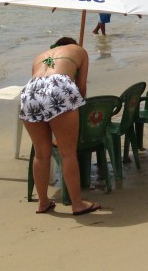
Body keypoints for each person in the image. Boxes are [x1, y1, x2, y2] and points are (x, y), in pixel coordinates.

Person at [21, 36, 101, 216]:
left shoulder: (40, 56)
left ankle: (43, 202)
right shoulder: (79, 51)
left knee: (41, 153)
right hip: (58, 86)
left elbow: (41, 83)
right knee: (68, 152)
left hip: (30, 91)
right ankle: (77, 204)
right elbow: (81, 88)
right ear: (73, 44)